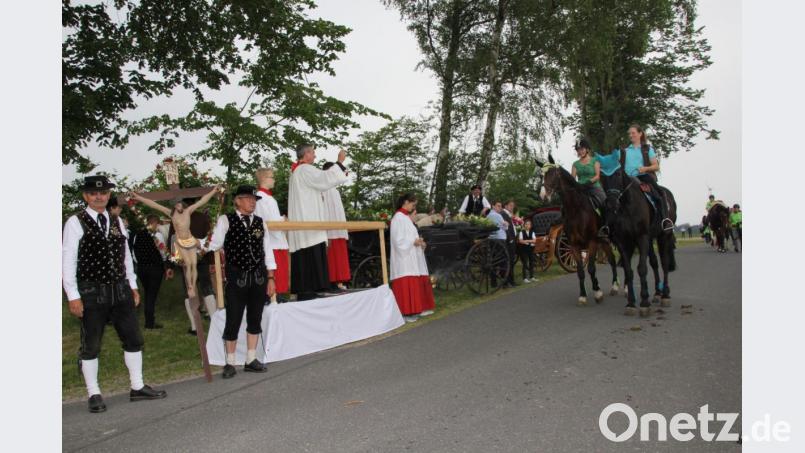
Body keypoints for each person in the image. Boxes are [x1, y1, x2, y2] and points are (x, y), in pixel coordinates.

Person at [63, 175, 167, 413]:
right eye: (93, 193)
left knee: (134, 338)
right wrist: (73, 295)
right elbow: (67, 260)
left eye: (103, 193)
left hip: (120, 288)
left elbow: (125, 256)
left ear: (109, 195)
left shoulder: (117, 221)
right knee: (91, 343)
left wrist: (132, 284)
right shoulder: (75, 222)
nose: (99, 196)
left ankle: (137, 387)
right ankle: (94, 393)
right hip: (91, 290)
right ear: (86, 196)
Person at [205, 186, 277, 378]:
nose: (252, 202)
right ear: (237, 200)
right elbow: (214, 244)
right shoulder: (225, 220)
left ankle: (251, 359)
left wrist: (271, 277)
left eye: (254, 199)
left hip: (259, 277)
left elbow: (267, 251)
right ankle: (230, 362)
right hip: (237, 278)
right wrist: (199, 243)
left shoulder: (261, 222)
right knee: (233, 318)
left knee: (255, 317)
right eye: (248, 198)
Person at [129, 185, 222, 298]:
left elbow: (203, 200)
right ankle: (190, 287)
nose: (179, 206)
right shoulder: (171, 214)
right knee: (188, 264)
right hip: (180, 242)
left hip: (191, 240)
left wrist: (213, 191)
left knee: (193, 263)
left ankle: (192, 285)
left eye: (180, 204)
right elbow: (154, 204)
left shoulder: (188, 211)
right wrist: (138, 198)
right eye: (176, 204)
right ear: (174, 206)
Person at [287, 144, 349, 301]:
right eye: (313, 152)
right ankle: (311, 289)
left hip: (305, 220)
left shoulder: (298, 171)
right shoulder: (305, 169)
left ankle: (307, 289)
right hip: (309, 222)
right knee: (311, 250)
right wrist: (340, 162)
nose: (315, 156)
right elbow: (324, 178)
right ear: (306, 154)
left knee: (306, 254)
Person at [173, 203, 219, 335]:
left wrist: (173, 261)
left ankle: (194, 326)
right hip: (201, 256)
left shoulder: (176, 217)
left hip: (189, 256)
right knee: (207, 288)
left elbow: (173, 237)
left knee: (190, 289)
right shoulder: (203, 217)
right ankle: (213, 321)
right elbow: (210, 237)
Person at [617, 124, 674, 231]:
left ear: (640, 134)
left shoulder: (647, 149)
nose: (631, 135)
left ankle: (665, 220)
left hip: (643, 177)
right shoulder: (624, 151)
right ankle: (611, 227)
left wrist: (645, 168)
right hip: (627, 180)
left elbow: (656, 166)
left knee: (660, 194)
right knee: (613, 197)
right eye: (629, 133)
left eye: (633, 133)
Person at [390, 193, 435, 322]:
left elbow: (410, 237)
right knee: (407, 280)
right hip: (404, 258)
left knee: (416, 278)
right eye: (413, 204)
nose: (414, 207)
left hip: (412, 255)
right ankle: (407, 312)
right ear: (405, 202)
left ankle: (418, 308)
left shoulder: (405, 218)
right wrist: (412, 242)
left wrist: (420, 243)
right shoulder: (398, 218)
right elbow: (397, 240)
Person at [255, 168, 290, 303]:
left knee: (280, 271)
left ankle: (277, 295)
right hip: (272, 240)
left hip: (276, 238)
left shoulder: (267, 197)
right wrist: (283, 220)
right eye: (272, 177)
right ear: (264, 179)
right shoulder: (261, 197)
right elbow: (269, 220)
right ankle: (272, 297)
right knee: (274, 270)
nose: (274, 179)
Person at [131, 214, 169, 329]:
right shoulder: (157, 236)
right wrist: (164, 262)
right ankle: (149, 323)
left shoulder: (137, 235)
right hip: (155, 268)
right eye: (157, 224)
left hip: (142, 268)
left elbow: (133, 253)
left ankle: (149, 320)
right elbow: (163, 252)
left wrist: (140, 262)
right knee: (151, 295)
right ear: (154, 223)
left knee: (148, 293)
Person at [322, 162, 351, 290]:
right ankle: (330, 282)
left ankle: (339, 282)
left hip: (338, 227)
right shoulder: (323, 189)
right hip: (329, 228)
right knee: (330, 257)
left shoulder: (334, 190)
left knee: (339, 257)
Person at [572, 139, 607, 236]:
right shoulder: (575, 164)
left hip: (594, 187)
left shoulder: (595, 160)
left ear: (587, 149)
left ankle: (606, 226)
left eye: (582, 149)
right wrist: (576, 186)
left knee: (605, 203)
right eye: (578, 150)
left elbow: (597, 176)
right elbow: (572, 178)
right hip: (580, 188)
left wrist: (588, 182)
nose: (580, 151)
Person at [501, 200, 518, 287]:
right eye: (511, 205)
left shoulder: (509, 214)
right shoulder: (503, 214)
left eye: (513, 206)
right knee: (509, 261)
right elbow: (505, 227)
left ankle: (510, 280)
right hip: (509, 240)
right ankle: (508, 281)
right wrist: (510, 239)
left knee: (511, 261)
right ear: (506, 206)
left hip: (512, 239)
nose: (512, 207)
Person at [517, 218, 537, 283]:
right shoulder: (521, 232)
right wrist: (529, 241)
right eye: (526, 224)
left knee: (531, 262)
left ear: (530, 226)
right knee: (525, 263)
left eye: (529, 224)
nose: (527, 225)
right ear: (524, 225)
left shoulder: (532, 232)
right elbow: (520, 241)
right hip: (524, 250)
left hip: (531, 249)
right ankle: (525, 278)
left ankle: (532, 277)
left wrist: (526, 241)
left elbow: (534, 240)